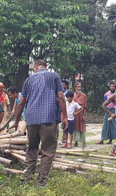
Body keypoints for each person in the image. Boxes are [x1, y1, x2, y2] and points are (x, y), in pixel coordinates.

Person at [11, 59, 68, 187]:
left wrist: (16, 121)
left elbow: (21, 102)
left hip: (31, 120)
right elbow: (60, 96)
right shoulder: (54, 76)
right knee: (48, 151)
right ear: (44, 67)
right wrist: (64, 115)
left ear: (35, 67)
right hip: (49, 119)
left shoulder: (28, 80)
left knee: (32, 149)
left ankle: (27, 178)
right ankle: (42, 182)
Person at [72, 82, 87, 148]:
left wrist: (84, 115)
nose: (79, 88)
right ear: (75, 88)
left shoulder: (84, 95)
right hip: (75, 115)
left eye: (80, 86)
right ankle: (76, 142)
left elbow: (85, 107)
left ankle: (84, 142)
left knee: (82, 128)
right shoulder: (73, 95)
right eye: (78, 87)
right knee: (75, 128)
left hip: (81, 115)